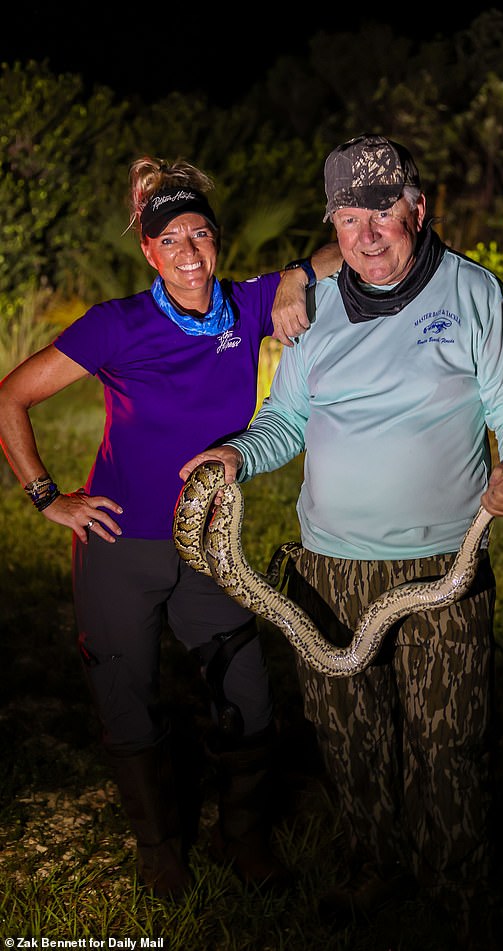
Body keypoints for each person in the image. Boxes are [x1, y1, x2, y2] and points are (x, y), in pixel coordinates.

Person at [178, 134, 503, 948]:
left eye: (383, 210)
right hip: (329, 565)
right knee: (350, 733)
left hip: (442, 565)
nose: (368, 232)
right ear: (333, 226)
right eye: (349, 216)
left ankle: (458, 890)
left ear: (419, 208)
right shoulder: (312, 310)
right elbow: (286, 421)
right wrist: (237, 452)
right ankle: (370, 863)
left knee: (447, 739)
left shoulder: (476, 293)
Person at [0, 155, 341, 900]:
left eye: (200, 234)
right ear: (150, 252)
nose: (190, 252)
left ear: (215, 242)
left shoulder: (248, 306)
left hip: (207, 544)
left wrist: (290, 276)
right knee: (128, 700)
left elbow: (340, 249)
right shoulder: (115, 324)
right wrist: (47, 496)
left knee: (248, 697)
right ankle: (160, 851)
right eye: (172, 240)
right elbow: (11, 397)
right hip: (119, 546)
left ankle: (241, 836)